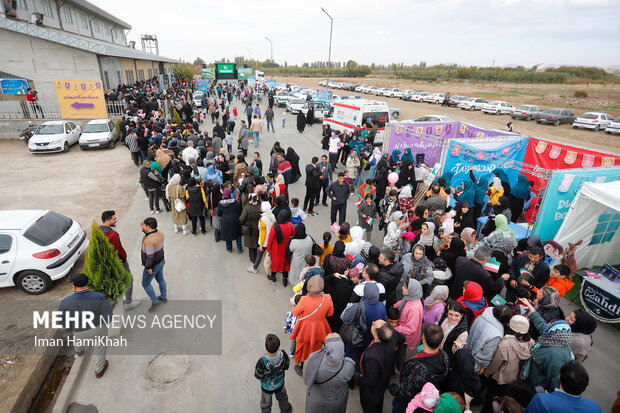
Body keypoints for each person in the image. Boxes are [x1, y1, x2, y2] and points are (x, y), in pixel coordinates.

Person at [59, 273, 112, 378]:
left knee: (77, 339)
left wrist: (70, 329)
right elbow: (108, 314)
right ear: (87, 283)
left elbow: (64, 320)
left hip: (79, 330)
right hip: (97, 328)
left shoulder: (65, 302)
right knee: (99, 348)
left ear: (74, 286)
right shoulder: (99, 296)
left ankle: (79, 351)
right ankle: (99, 370)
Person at [388, 324, 450, 413]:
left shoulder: (418, 369)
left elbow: (405, 392)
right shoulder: (444, 356)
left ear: (423, 338)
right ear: (441, 342)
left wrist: (392, 388)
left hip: (410, 403)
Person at [483, 315, 534, 413]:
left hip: (500, 379)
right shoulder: (530, 342)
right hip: (514, 379)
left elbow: (495, 364)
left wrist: (487, 374)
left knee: (491, 400)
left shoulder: (505, 344)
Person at [291, 276, 334, 374]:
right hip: (321, 329)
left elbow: (295, 312)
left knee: (304, 348)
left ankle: (302, 368)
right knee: (317, 348)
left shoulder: (304, 299)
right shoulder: (327, 298)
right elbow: (330, 313)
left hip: (305, 329)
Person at [303, 333, 355, 413]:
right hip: (337, 401)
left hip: (316, 401)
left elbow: (306, 378)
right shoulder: (349, 364)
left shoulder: (313, 359)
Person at [99, 210, 140, 311]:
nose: (116, 220)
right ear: (107, 220)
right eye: (114, 219)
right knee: (128, 280)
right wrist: (124, 260)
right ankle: (128, 302)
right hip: (119, 263)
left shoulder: (98, 231)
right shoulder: (113, 235)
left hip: (106, 264)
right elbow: (119, 252)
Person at [525, 362, 602, 413]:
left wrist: (547, 398)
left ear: (559, 377)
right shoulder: (595, 408)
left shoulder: (541, 401)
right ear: (586, 387)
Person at [359, 319, 397, 413]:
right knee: (379, 403)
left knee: (370, 407)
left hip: (371, 392)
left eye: (373, 324)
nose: (372, 322)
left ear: (376, 335)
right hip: (383, 382)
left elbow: (371, 380)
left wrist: (361, 380)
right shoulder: (391, 339)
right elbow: (402, 338)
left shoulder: (373, 357)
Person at [466, 305, 512, 374]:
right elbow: (487, 353)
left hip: (466, 350)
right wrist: (484, 366)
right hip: (474, 362)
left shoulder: (482, 316)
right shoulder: (497, 334)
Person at [254, 334, 292, 413]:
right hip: (280, 383)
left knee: (266, 404)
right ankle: (286, 410)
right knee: (283, 398)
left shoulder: (262, 362)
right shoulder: (283, 354)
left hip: (267, 388)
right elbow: (286, 366)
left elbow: (258, 375)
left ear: (266, 348)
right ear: (278, 346)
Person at [140, 217, 166, 312]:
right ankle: (163, 297)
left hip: (153, 265)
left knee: (145, 284)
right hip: (161, 261)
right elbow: (150, 234)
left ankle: (155, 302)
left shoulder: (149, 241)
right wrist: (145, 230)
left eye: (145, 226)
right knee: (161, 279)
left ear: (149, 226)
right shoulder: (160, 232)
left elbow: (150, 256)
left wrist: (148, 268)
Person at [394, 279, 425, 350]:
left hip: (405, 336)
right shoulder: (411, 297)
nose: (402, 287)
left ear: (411, 290)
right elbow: (402, 302)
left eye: (405, 287)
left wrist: (394, 328)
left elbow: (411, 328)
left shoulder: (414, 308)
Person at [268, 210, 296, 286]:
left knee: (275, 263)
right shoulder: (290, 225)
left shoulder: (275, 226)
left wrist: (268, 249)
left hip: (276, 249)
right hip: (287, 248)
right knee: (285, 264)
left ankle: (273, 277)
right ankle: (284, 280)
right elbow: (293, 234)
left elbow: (270, 239)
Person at [437, 300, 469, 365]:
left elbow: (455, 352)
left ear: (462, 315)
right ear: (447, 313)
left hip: (443, 357)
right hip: (433, 346)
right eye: (450, 314)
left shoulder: (463, 333)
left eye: (456, 315)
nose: (453, 318)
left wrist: (457, 347)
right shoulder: (443, 318)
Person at [240, 193, 261, 264]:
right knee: (256, 241)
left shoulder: (247, 208)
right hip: (258, 226)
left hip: (249, 227)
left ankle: (252, 258)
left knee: (250, 243)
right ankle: (255, 256)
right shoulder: (260, 207)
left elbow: (242, 219)